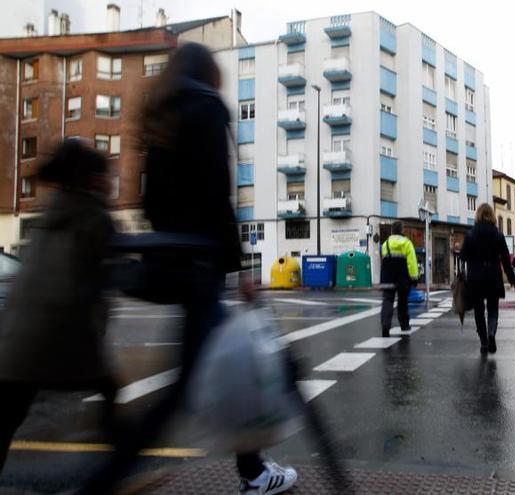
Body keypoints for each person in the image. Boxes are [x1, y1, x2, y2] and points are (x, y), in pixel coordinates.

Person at [80, 43, 297, 495]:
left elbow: (149, 201)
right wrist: (240, 267)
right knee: (202, 381)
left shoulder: (160, 118)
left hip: (176, 261)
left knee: (192, 380)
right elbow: (219, 194)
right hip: (202, 264)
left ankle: (250, 468)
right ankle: (251, 473)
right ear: (208, 72)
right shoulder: (206, 108)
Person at [0, 140, 118, 474]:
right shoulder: (94, 219)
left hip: (13, 344)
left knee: (6, 419)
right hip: (53, 340)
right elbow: (89, 294)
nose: (111, 183)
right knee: (110, 396)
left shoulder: (48, 215)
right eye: (107, 175)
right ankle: (115, 471)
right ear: (93, 179)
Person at [460, 204, 515, 354]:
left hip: (475, 277)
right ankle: (492, 333)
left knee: (479, 310)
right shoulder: (498, 235)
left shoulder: (470, 235)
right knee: (493, 308)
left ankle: (484, 342)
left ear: (477, 215)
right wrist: (512, 278)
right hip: (493, 276)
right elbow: (505, 259)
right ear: (492, 216)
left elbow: (463, 256)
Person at [380, 221, 418, 337]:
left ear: (392, 230)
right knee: (402, 302)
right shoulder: (407, 243)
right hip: (402, 278)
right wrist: (414, 278)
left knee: (387, 301)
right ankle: (404, 325)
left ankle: (385, 326)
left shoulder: (385, 244)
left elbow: (384, 261)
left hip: (387, 277)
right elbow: (412, 262)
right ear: (402, 230)